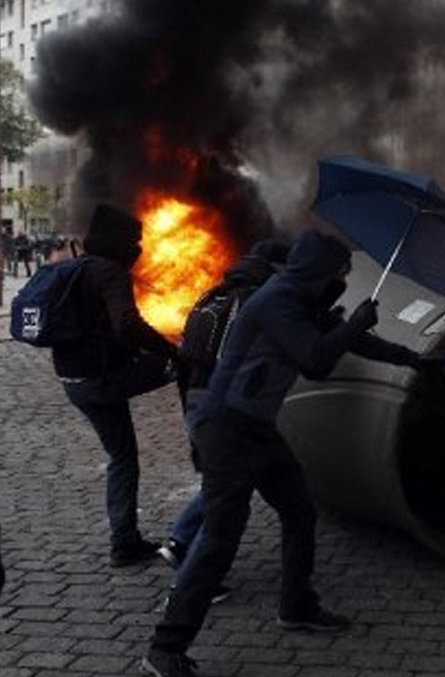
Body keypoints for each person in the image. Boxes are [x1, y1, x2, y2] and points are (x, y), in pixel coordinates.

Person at [143, 231, 425, 677]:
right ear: (316, 270)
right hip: (226, 429)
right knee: (220, 537)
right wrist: (356, 322)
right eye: (338, 273)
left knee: (298, 511)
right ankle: (165, 647)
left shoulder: (302, 302)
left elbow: (351, 342)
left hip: (257, 428)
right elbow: (315, 358)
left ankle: (296, 605)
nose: (342, 280)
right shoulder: (274, 301)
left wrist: (417, 359)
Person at [159, 239, 290, 598]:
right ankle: (191, 581)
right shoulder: (257, 305)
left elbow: (185, 357)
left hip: (196, 400)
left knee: (222, 484)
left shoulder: (210, 297)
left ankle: (179, 539)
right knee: (228, 494)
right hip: (226, 409)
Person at [53, 204, 179, 567]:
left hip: (74, 380)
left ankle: (125, 542)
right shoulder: (110, 272)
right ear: (119, 242)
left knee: (122, 457)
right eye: (134, 242)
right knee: (186, 364)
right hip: (100, 381)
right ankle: (207, 445)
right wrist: (169, 350)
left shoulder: (75, 268)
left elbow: (103, 327)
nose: (138, 249)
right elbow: (126, 322)